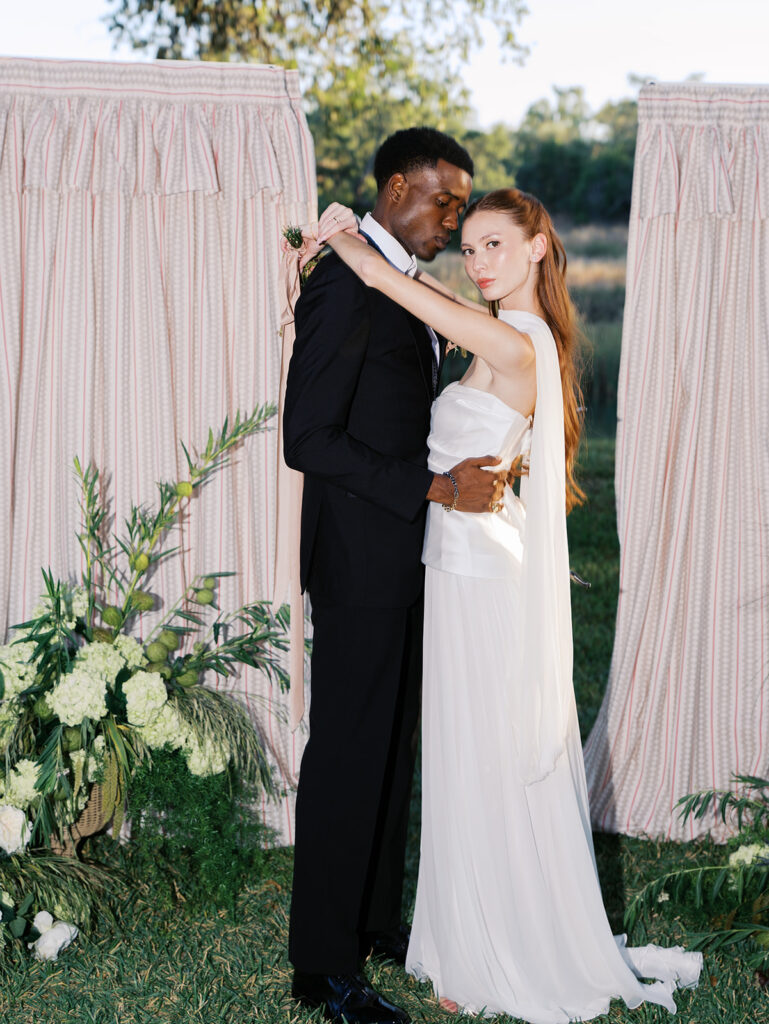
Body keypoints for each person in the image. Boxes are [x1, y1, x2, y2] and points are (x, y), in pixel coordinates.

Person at [318, 188, 703, 1023]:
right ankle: (467, 936)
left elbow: (398, 289)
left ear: (537, 248)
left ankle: (505, 952)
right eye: (473, 247)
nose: (479, 260)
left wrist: (341, 238)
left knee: (485, 761)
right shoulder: (503, 332)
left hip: (480, 581)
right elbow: (440, 306)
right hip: (457, 569)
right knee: (460, 760)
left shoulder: (517, 339)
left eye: (496, 244)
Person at [282, 128, 505, 1024]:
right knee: (345, 752)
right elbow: (308, 438)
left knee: (388, 742)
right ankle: (322, 968)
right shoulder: (344, 279)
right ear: (393, 187)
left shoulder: (396, 278)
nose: (452, 221)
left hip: (405, 551)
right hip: (359, 556)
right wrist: (436, 487)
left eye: (460, 207)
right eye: (442, 201)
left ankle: (368, 921)